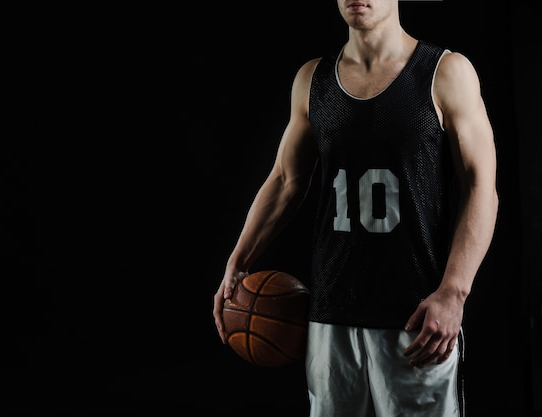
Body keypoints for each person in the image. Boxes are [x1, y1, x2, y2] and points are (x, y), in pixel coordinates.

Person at [212, 1, 499, 416]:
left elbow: (482, 188)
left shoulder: (446, 72)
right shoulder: (313, 79)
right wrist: (238, 261)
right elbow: (285, 181)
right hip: (329, 315)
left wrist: (454, 292)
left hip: (417, 319)